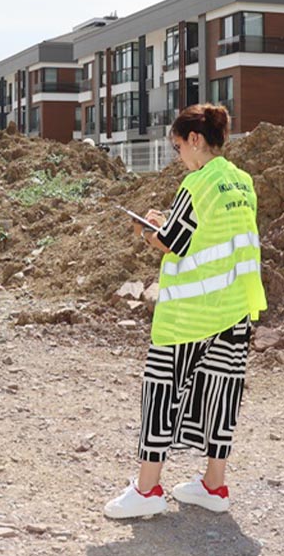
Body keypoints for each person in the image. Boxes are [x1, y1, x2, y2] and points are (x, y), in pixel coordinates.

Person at [103, 103, 267, 519]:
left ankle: (146, 490)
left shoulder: (198, 183)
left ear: (195, 140)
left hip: (191, 313)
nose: (179, 157)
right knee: (221, 394)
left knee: (161, 394)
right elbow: (206, 234)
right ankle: (214, 485)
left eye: (178, 147)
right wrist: (169, 220)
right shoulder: (241, 182)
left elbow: (172, 243)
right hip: (236, 308)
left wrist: (146, 230)